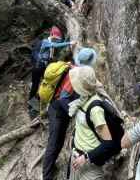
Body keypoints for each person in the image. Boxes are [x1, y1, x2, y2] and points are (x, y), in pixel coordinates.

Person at [42, 48, 98, 180]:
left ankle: (50, 165)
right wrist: (74, 111)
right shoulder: (75, 74)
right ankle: (47, 176)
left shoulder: (77, 70)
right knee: (54, 142)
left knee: (59, 141)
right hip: (57, 110)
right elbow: (63, 97)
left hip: (61, 110)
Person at [68, 65, 116, 180]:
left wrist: (86, 157)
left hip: (89, 165)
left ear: (82, 86)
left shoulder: (95, 109)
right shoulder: (84, 98)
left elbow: (108, 143)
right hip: (76, 159)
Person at [28, 26, 74, 118]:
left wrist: (67, 38)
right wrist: (69, 42)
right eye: (55, 39)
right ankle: (31, 106)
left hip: (44, 67)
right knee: (35, 86)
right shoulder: (46, 42)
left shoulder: (52, 41)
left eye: (57, 39)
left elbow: (60, 43)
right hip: (37, 68)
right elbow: (55, 45)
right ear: (51, 35)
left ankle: (42, 103)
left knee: (46, 83)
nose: (56, 40)